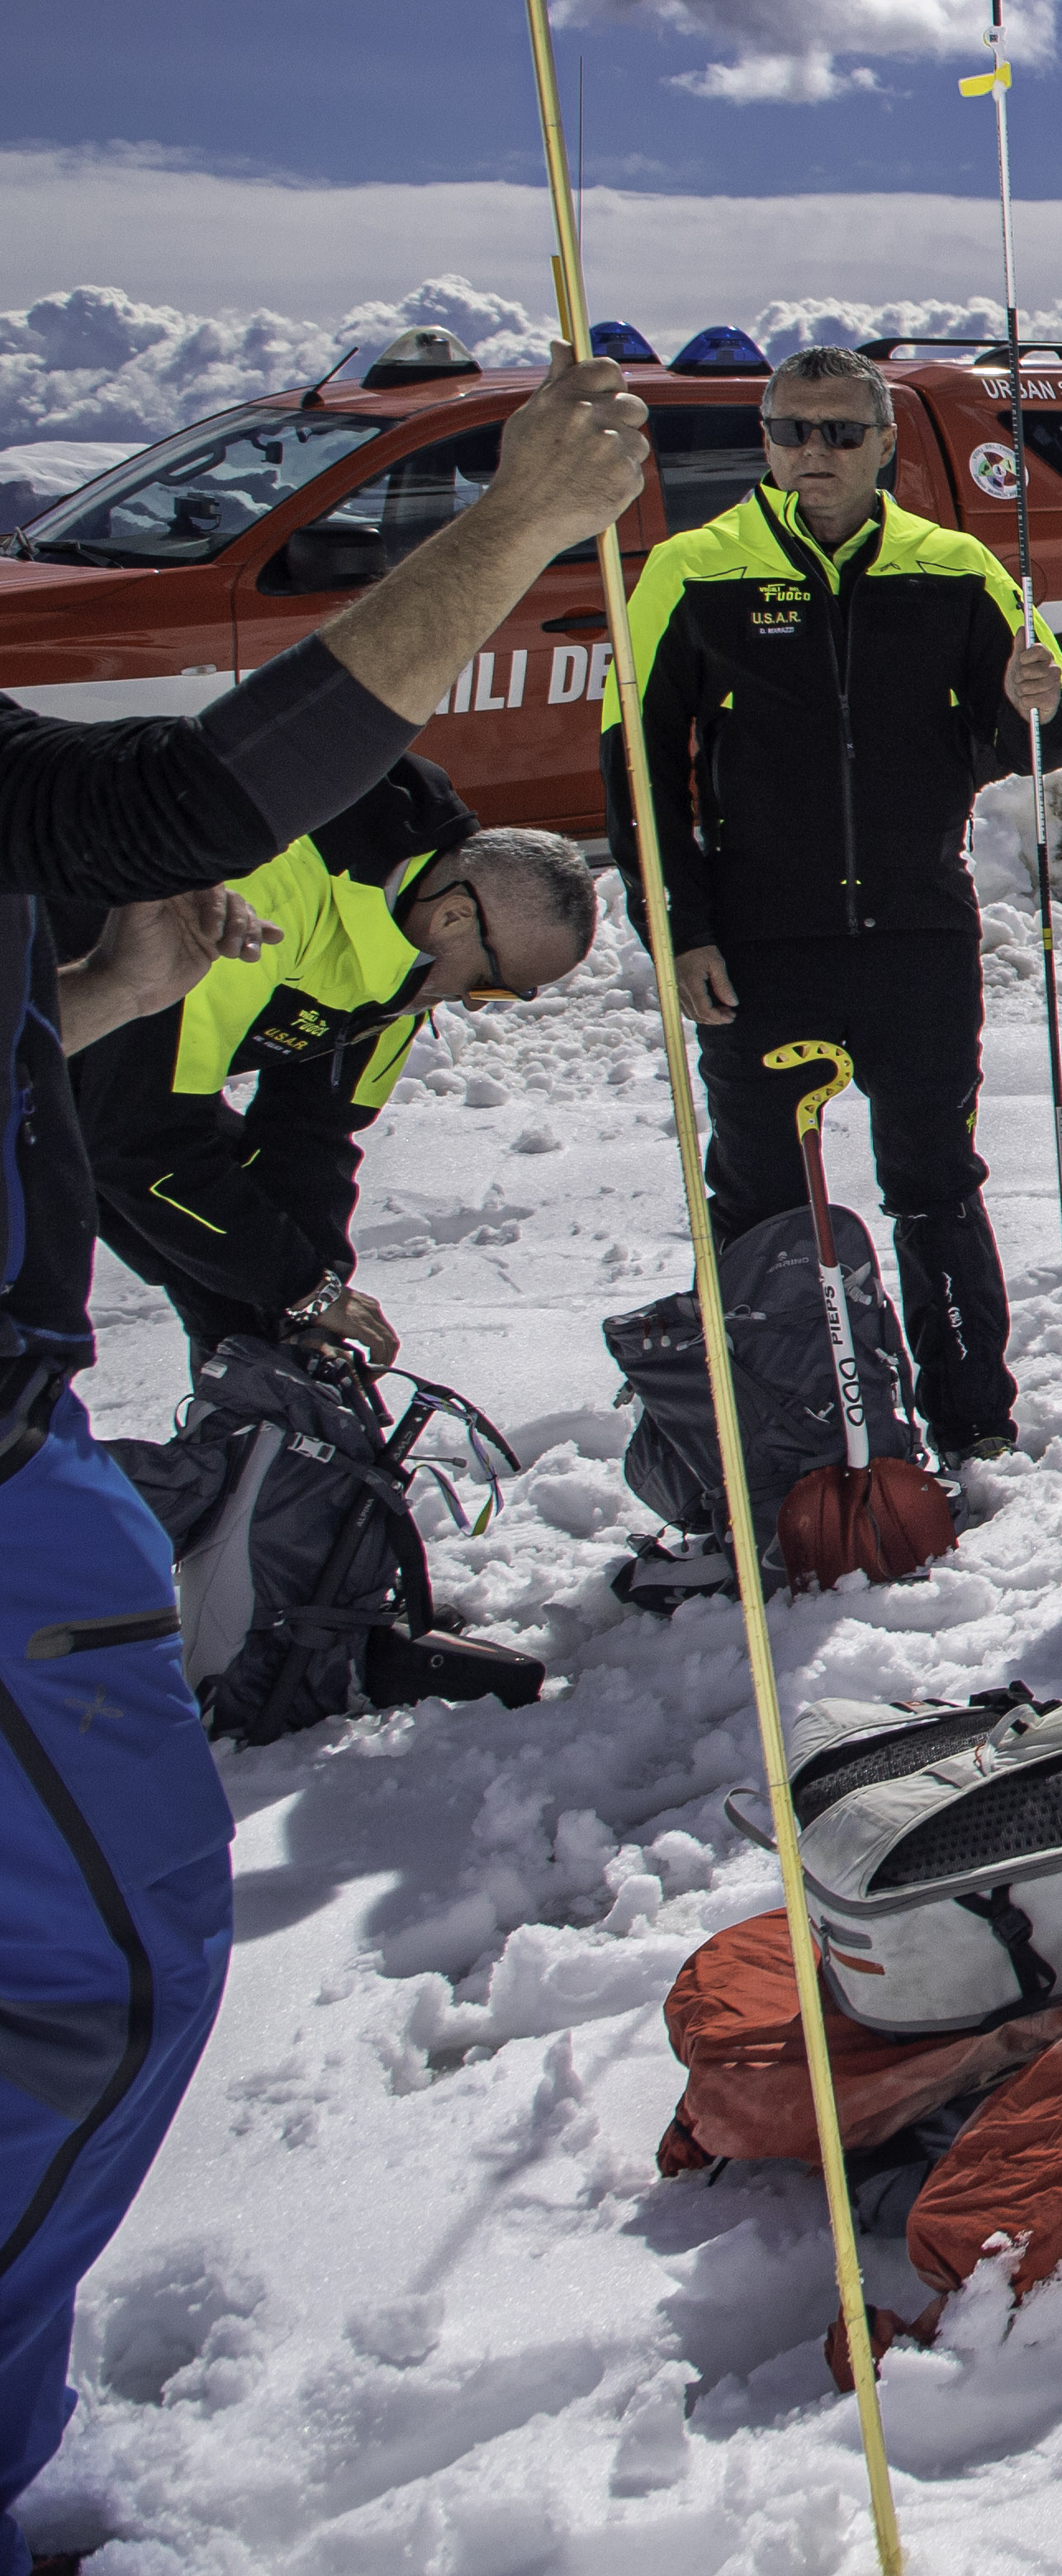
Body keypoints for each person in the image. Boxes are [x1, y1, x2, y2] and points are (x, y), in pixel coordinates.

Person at [0, 352, 648, 2539]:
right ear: (479, 891)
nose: (483, 984)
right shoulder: (374, 856)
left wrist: (305, 1269)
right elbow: (225, 780)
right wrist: (523, 522)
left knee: (283, 1332)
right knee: (103, 1972)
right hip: (84, 1247)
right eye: (503, 954)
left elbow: (316, 1144)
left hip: (79, 1198)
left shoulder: (389, 986)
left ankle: (272, 1584)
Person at [604, 345, 1062, 1459]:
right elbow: (640, 769)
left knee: (935, 1180)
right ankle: (776, 1432)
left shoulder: (954, 566)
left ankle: (972, 1425)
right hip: (763, 940)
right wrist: (682, 928)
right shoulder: (691, 568)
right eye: (791, 431)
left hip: (915, 929)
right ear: (762, 442)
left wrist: (1028, 703)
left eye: (840, 433)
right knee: (763, 1201)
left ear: (884, 447)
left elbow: (1026, 739)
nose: (814, 452)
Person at [74, 785, 599, 1374]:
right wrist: (301, 1289)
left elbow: (313, 1135)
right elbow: (140, 1138)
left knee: (253, 1301)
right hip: (50, 1028)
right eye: (491, 982)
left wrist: (313, 1298)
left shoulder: (415, 961)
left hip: (95, 1082)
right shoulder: (272, 891)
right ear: (455, 916)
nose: (476, 1007)